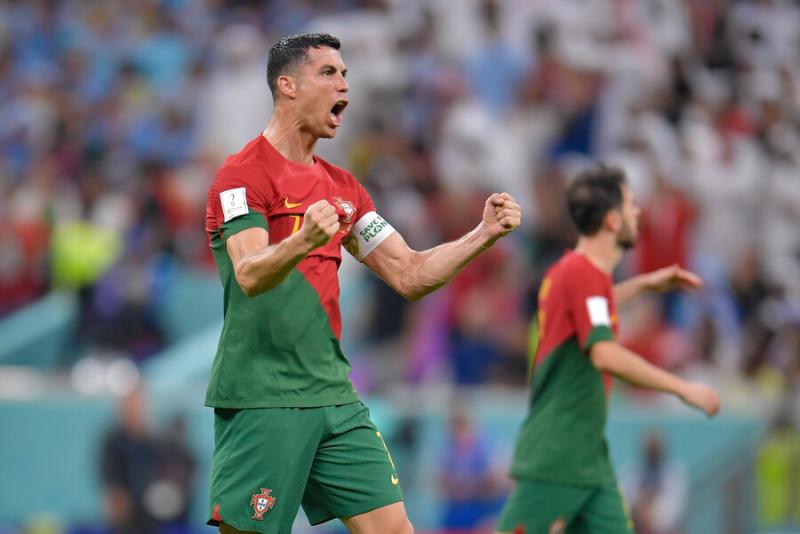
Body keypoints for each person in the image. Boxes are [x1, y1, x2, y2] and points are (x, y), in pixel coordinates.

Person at [203, 33, 521, 534]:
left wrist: (482, 235)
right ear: (287, 86)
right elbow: (248, 272)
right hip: (264, 395)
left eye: (346, 74)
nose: (345, 85)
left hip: (334, 396)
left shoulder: (344, 190)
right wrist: (303, 240)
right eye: (328, 73)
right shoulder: (240, 177)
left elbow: (410, 273)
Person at [495, 165, 720, 534]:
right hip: (558, 453)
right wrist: (683, 388)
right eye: (632, 205)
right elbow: (604, 353)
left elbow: (590, 310)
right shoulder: (582, 274)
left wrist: (645, 284)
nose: (639, 213)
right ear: (613, 221)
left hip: (588, 459)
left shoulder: (575, 275)